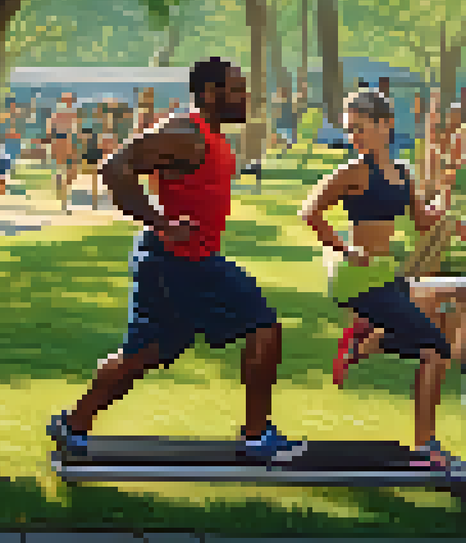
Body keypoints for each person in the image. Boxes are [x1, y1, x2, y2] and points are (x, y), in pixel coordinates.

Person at [50, 58, 298, 460]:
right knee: (264, 326)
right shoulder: (184, 133)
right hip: (178, 262)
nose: (245, 97)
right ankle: (256, 437)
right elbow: (115, 167)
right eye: (236, 90)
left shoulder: (210, 137)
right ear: (209, 94)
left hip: (179, 260)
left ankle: (72, 425)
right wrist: (160, 220)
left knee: (146, 353)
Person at [301, 89, 466, 469]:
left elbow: (422, 223)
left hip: (384, 278)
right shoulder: (353, 171)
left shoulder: (403, 173)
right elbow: (309, 212)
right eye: (350, 131)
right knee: (437, 350)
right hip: (357, 279)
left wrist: (442, 196)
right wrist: (345, 249)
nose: (353, 137)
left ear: (385, 125)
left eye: (360, 129)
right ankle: (425, 445)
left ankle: (362, 342)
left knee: (431, 338)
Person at [47, 92, 82, 214]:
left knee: (72, 172)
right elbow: (50, 130)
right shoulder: (58, 114)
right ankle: (64, 202)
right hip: (61, 142)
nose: (69, 102)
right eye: (67, 99)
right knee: (63, 171)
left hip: (70, 143)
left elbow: (77, 131)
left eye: (71, 99)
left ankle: (63, 195)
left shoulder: (73, 114)